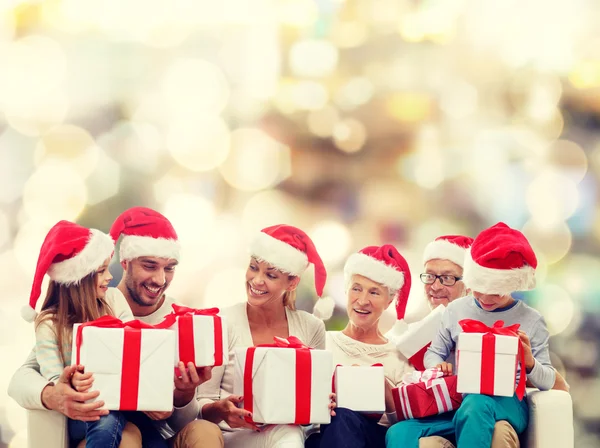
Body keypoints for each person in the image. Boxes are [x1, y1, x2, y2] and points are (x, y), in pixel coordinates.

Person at [8, 207, 223, 448]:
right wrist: (56, 392)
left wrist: (179, 396)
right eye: (150, 266)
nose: (161, 280)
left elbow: (178, 420)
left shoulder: (181, 321)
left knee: (182, 433)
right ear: (125, 262)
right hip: (98, 418)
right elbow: (21, 379)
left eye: (169, 268)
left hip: (145, 421)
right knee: (122, 433)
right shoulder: (59, 321)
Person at [386, 222, 556, 448]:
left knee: (476, 404)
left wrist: (529, 363)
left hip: (508, 405)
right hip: (458, 403)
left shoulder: (532, 320)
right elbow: (433, 354)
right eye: (478, 288)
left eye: (495, 292)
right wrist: (437, 366)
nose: (485, 298)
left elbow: (549, 381)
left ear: (513, 284)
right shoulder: (457, 310)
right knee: (398, 432)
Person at [196, 224, 335, 448]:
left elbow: (314, 416)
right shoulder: (222, 323)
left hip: (291, 435)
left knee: (288, 432)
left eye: (271, 275)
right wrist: (222, 410)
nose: (257, 280)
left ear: (292, 282)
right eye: (253, 268)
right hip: (231, 436)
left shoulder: (311, 327)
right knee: (287, 434)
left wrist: (320, 404)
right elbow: (201, 403)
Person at [24, 220, 134, 447]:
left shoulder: (113, 300)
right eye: (101, 271)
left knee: (154, 440)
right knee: (104, 419)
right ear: (79, 280)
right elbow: (55, 380)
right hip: (82, 410)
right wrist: (71, 381)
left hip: (122, 399)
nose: (109, 277)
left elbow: (134, 346)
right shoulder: (49, 324)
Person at [306, 244, 414, 448]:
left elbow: (406, 428)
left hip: (373, 439)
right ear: (346, 291)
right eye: (356, 289)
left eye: (374, 293)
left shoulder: (399, 356)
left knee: (343, 417)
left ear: (389, 301)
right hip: (322, 437)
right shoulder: (321, 342)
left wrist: (383, 387)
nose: (362, 301)